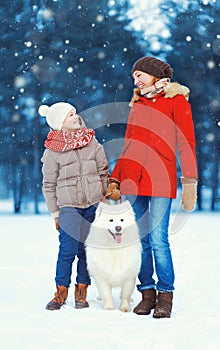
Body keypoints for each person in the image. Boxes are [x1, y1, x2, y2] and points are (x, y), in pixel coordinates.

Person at [106, 56, 198, 318]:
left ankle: (165, 296)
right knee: (142, 241)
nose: (135, 80)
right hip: (134, 180)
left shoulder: (176, 101)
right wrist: (116, 178)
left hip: (161, 180)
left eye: (139, 75)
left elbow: (186, 142)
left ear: (154, 75)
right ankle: (147, 293)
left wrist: (189, 180)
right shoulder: (138, 104)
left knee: (159, 241)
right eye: (134, 76)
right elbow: (128, 144)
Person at [39, 102, 109, 311]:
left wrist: (106, 198)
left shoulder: (91, 141)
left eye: (74, 113)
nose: (75, 116)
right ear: (60, 123)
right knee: (67, 250)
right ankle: (60, 292)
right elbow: (48, 185)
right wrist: (55, 213)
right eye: (69, 115)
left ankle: (82, 290)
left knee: (86, 250)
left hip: (93, 204)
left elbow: (103, 170)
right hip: (68, 206)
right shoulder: (53, 150)